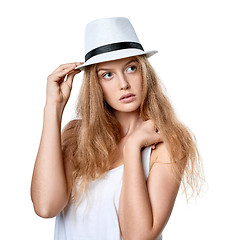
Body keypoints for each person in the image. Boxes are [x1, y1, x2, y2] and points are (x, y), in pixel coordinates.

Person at [30, 17, 202, 240]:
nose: (123, 83)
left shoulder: (167, 142)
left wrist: (132, 148)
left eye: (131, 68)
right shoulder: (75, 135)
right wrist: (53, 108)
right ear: (96, 84)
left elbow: (138, 236)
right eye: (108, 74)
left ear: (145, 73)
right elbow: (46, 207)